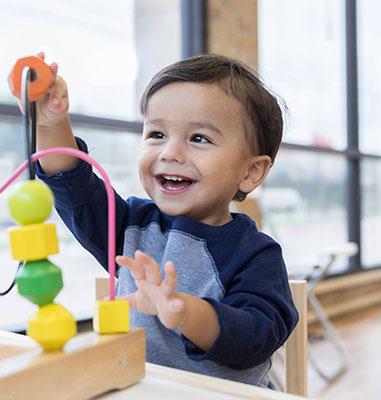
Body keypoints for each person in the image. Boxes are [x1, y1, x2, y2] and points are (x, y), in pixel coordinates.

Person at [32, 53, 298, 388]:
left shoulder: (256, 254)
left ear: (250, 172)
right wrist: (51, 123)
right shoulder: (129, 226)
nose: (169, 153)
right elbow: (72, 184)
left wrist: (185, 312)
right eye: (156, 134)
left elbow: (256, 338)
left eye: (198, 138)